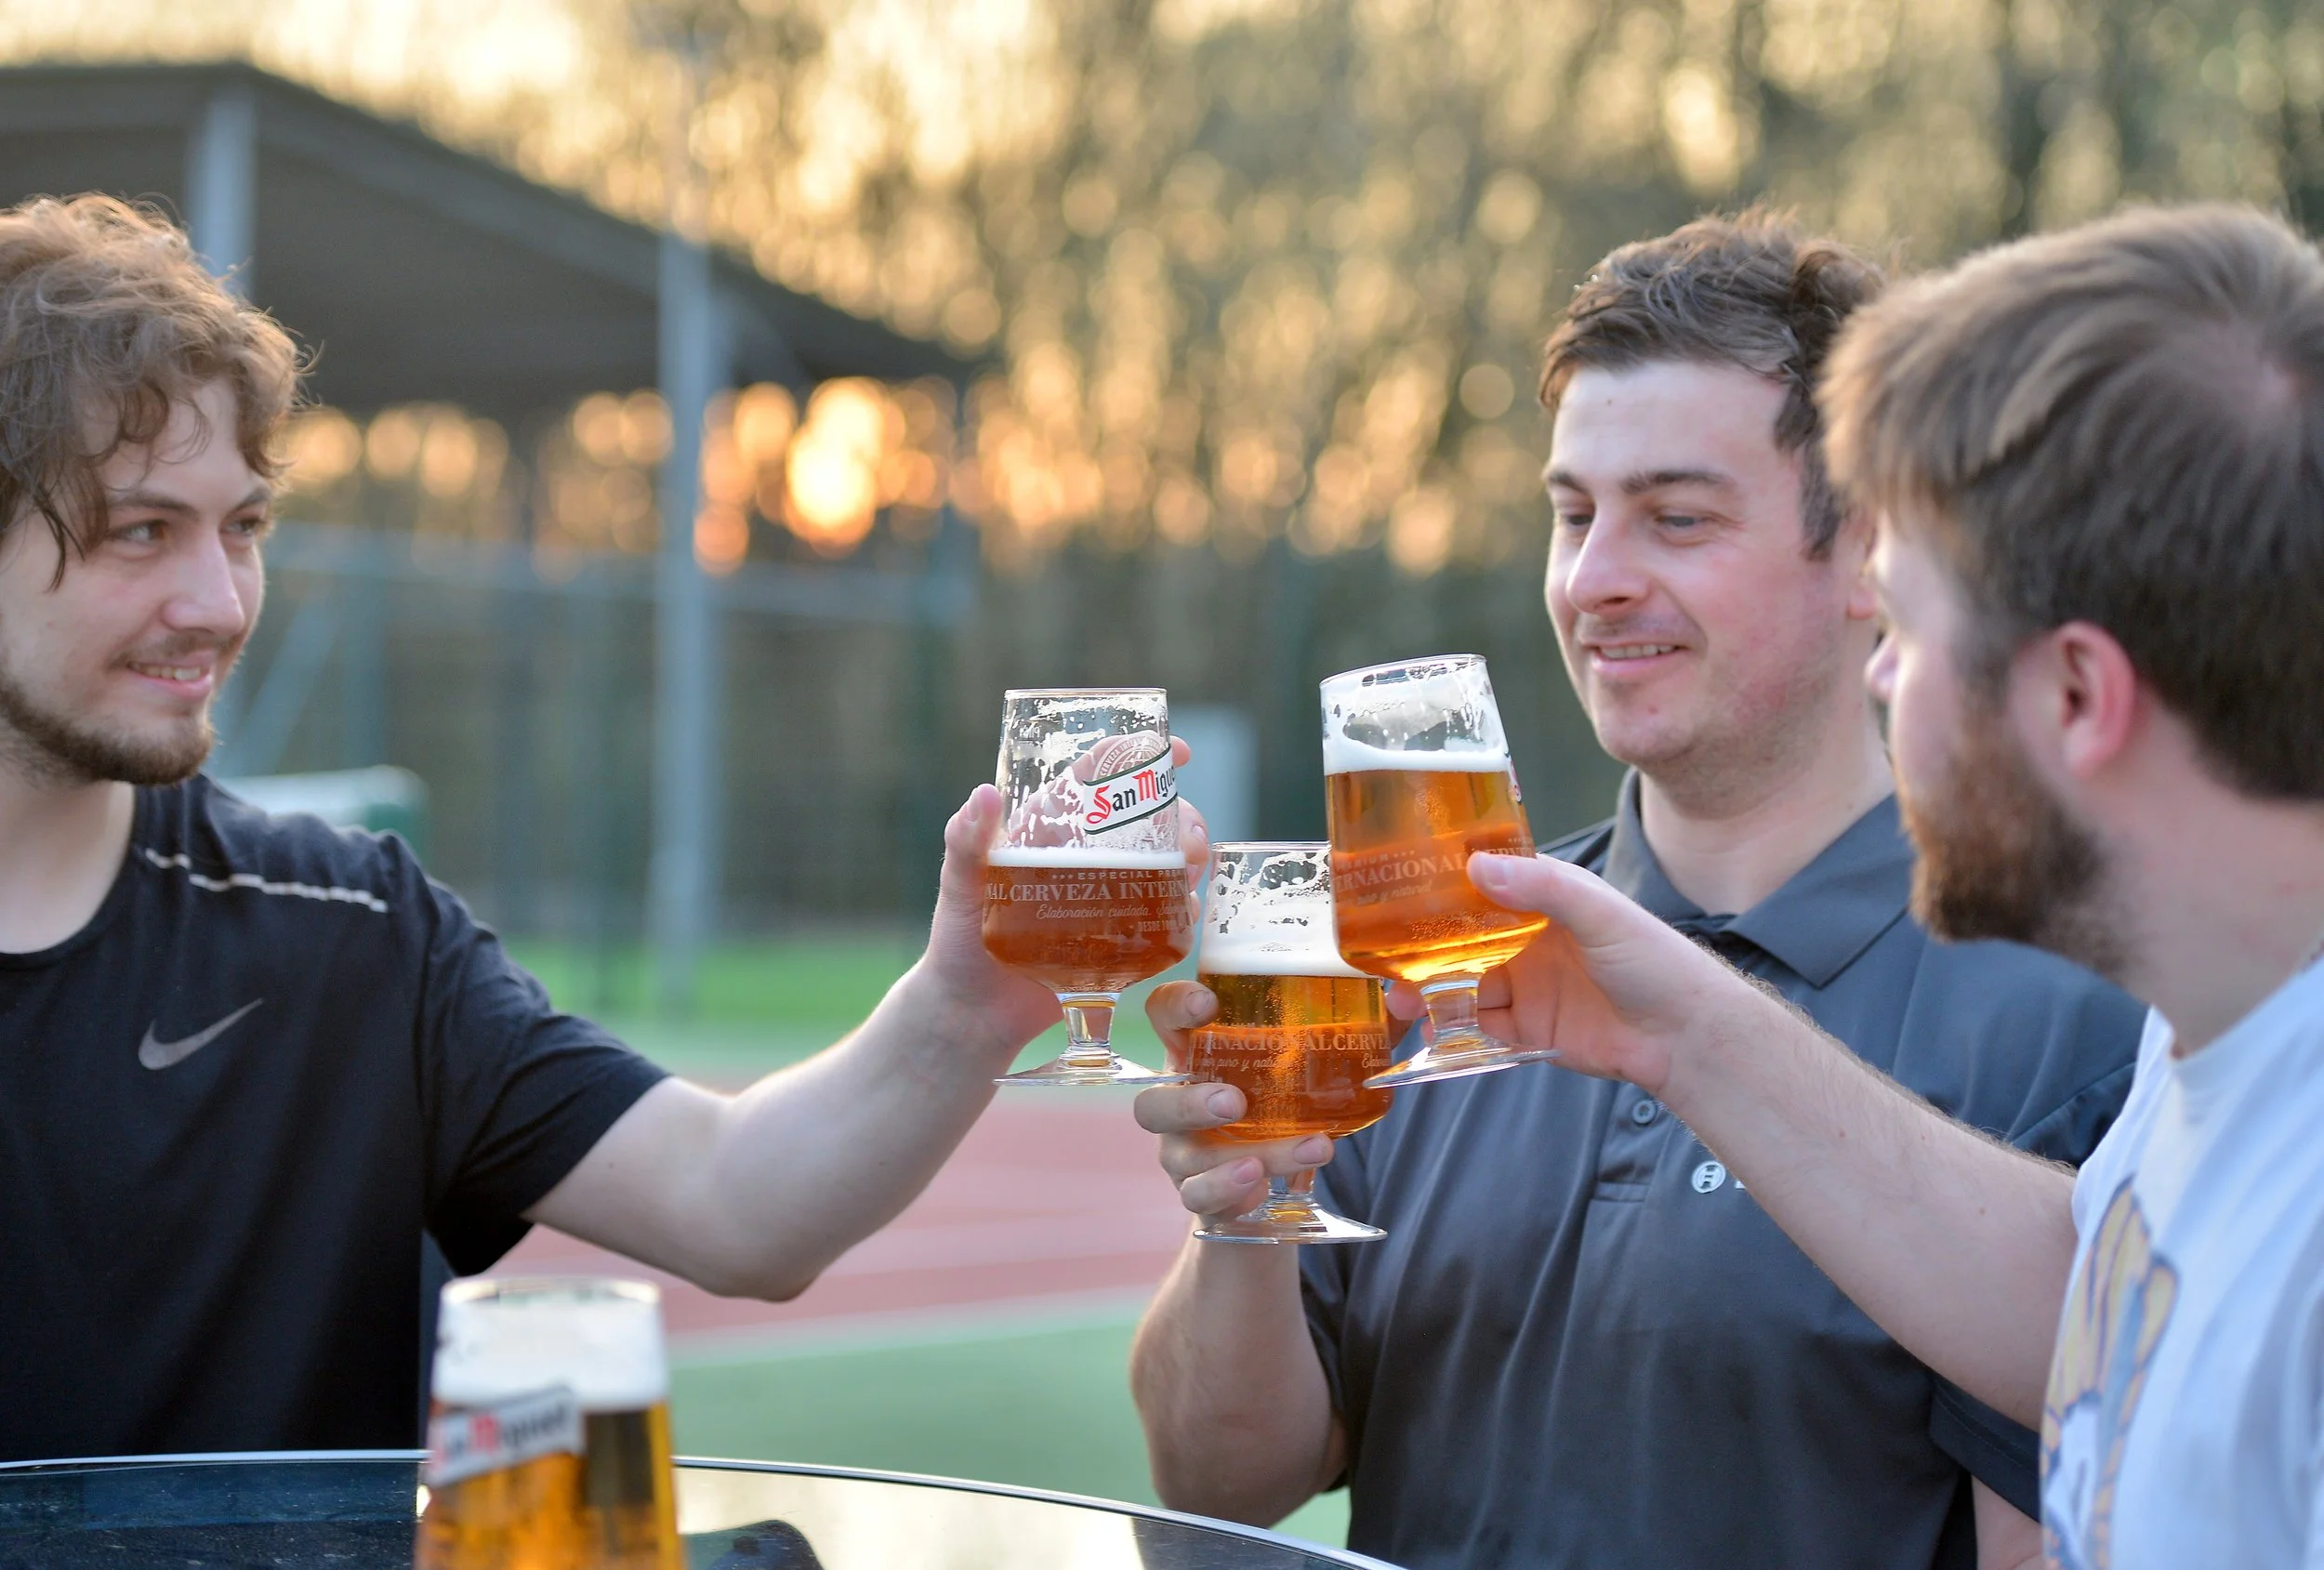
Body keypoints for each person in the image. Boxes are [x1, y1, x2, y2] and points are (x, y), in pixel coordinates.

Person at [0, 194, 1206, 1460]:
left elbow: (738, 1206)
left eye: (243, 527)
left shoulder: (347, 930)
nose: (219, 601)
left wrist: (969, 1000)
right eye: (143, 530)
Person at [1127, 214, 2146, 1569]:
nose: (1595, 581)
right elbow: (1217, 1484)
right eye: (1571, 515)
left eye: (1676, 517)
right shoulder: (1423, 960)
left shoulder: (2063, 1005)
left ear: (1870, 559)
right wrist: (1245, 1221)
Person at [1446, 204, 2324, 1568]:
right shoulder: (2203, 1048)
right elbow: (2079, 1306)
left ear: (2079, 692)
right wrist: (1685, 1030)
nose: (1879, 673)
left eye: (1908, 625)